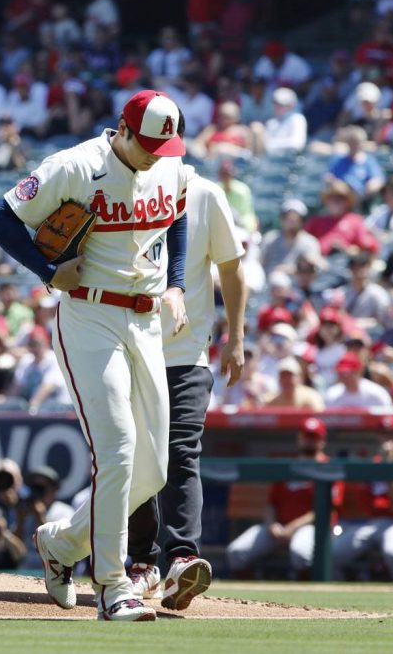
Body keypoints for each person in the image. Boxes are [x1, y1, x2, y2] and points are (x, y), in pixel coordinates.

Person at [0, 90, 191, 622]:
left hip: (146, 320)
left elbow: (179, 216)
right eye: (147, 143)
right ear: (121, 129)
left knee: (153, 470)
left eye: (162, 144)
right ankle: (111, 585)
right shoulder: (73, 166)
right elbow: (2, 220)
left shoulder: (170, 165)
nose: (155, 153)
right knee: (119, 450)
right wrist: (48, 271)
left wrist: (176, 285)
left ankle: (60, 544)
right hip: (90, 314)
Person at [125, 167, 247, 610]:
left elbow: (232, 270)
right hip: (130, 345)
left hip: (186, 350)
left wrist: (237, 339)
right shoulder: (117, 187)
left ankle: (180, 557)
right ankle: (141, 563)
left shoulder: (204, 194)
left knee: (181, 450)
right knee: (137, 455)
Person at [226, 418, 342, 578]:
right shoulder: (290, 466)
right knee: (237, 552)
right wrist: (272, 525)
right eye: (306, 436)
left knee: (300, 553)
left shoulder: (330, 467)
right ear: (299, 438)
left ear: (322, 441)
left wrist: (291, 528)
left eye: (314, 437)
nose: (309, 441)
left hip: (314, 527)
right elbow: (270, 504)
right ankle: (252, 600)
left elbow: (324, 509)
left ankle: (307, 596)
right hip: (279, 527)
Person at [333, 416, 393, 582]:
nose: (388, 439)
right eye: (385, 434)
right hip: (374, 523)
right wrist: (391, 506)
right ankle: (338, 599)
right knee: (331, 554)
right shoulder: (375, 463)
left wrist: (389, 463)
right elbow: (365, 503)